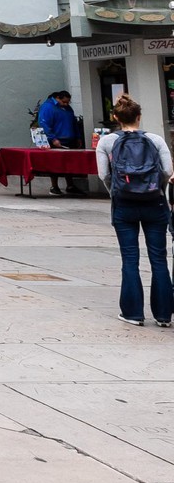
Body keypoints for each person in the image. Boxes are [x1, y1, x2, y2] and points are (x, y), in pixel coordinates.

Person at [96, 95, 172, 328]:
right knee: (159, 259)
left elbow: (103, 175)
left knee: (130, 258)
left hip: (124, 205)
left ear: (116, 118)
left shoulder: (107, 142)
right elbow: (168, 171)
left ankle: (133, 313)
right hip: (154, 203)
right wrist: (154, 188)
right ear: (139, 117)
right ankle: (164, 315)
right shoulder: (155, 139)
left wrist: (117, 190)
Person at [37, 89, 88, 196]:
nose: (66, 104)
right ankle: (54, 186)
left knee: (69, 164)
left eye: (67, 102)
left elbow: (74, 122)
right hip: (57, 139)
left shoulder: (67, 108)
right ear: (58, 98)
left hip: (69, 139)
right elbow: (44, 124)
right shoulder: (48, 107)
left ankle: (70, 185)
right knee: (54, 164)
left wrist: (78, 136)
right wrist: (53, 138)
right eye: (64, 102)